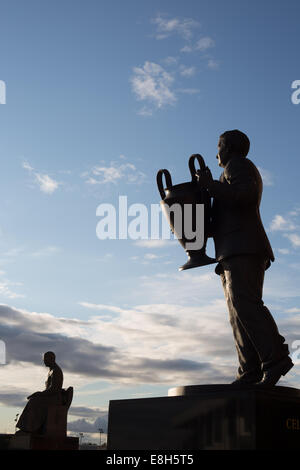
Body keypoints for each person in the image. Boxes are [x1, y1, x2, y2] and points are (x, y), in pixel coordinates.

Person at [196, 129, 293, 387]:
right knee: (237, 312)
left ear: (228, 148)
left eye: (219, 145)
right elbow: (224, 213)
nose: (216, 152)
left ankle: (276, 359)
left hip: (244, 248)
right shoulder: (227, 172)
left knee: (246, 304)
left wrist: (210, 186)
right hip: (231, 251)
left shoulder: (238, 165)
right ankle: (249, 370)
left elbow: (245, 196)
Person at [16, 351, 63, 434]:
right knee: (34, 400)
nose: (44, 361)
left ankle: (30, 428)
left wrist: (39, 394)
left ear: (52, 359)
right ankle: (27, 427)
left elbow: (54, 389)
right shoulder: (51, 371)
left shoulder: (56, 371)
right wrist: (39, 394)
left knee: (34, 401)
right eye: (44, 359)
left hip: (54, 399)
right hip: (50, 397)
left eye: (45, 359)